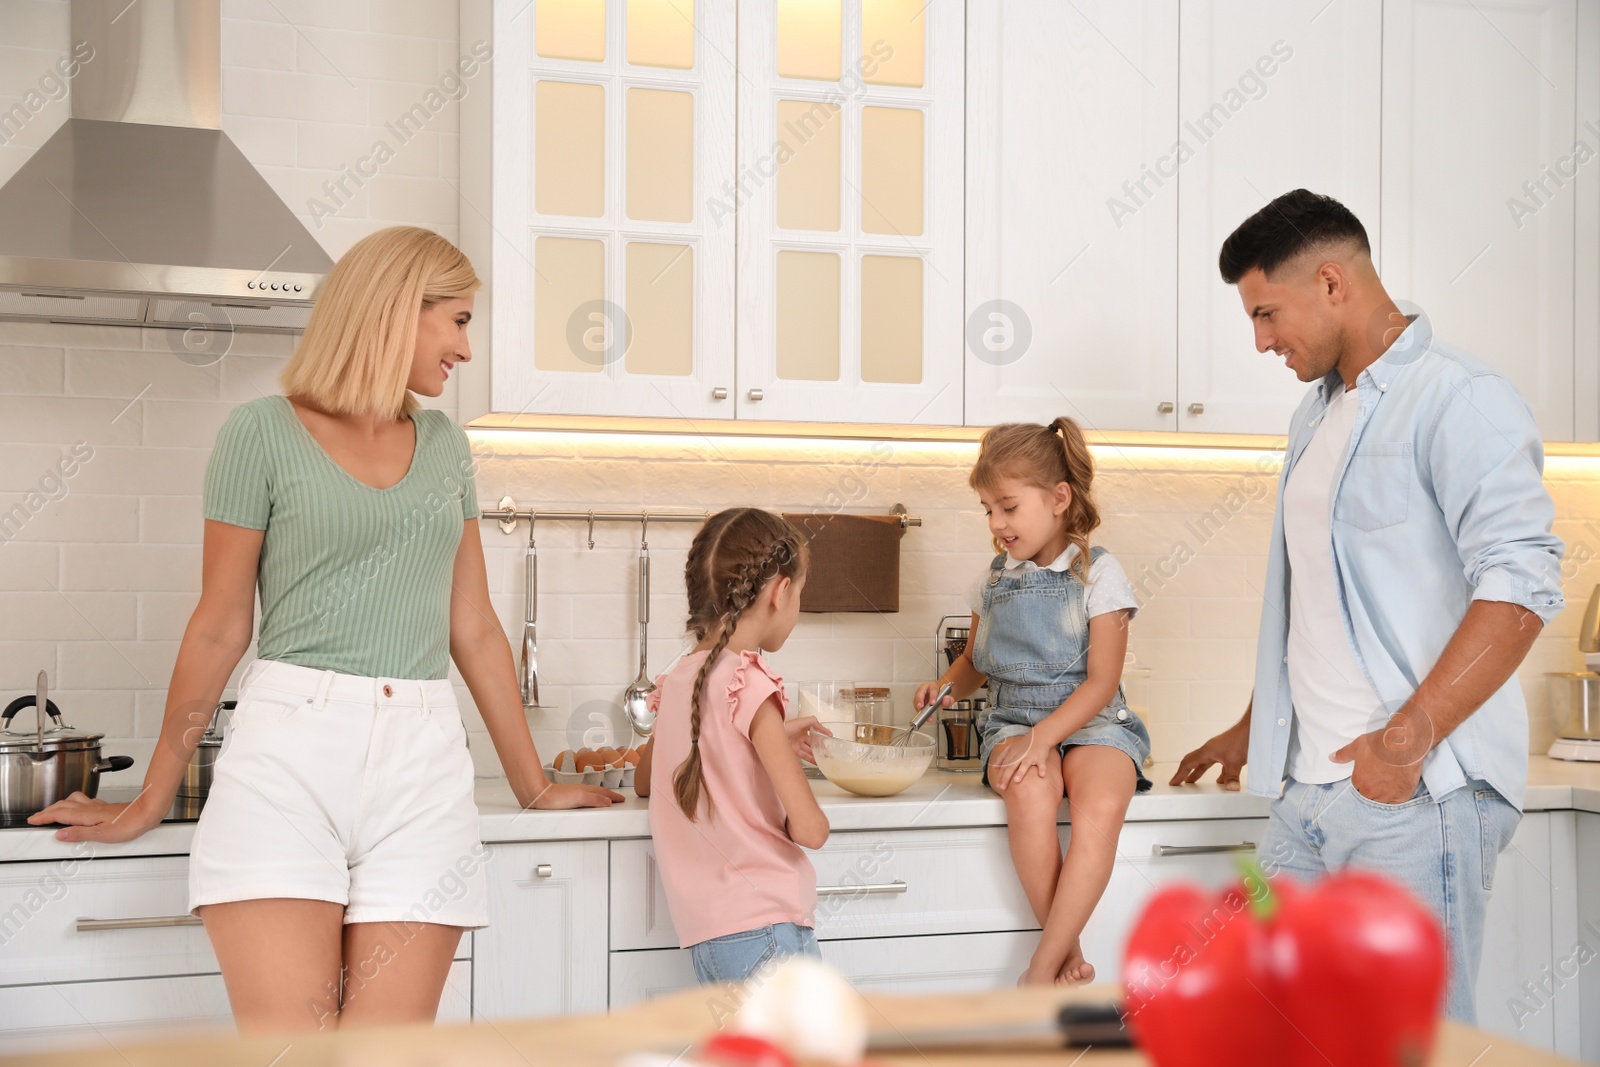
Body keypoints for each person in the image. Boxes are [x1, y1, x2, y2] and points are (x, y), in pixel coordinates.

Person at [29, 226, 622, 1033]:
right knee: (294, 1051)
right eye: (455, 319)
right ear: (392, 311)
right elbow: (219, 626)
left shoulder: (446, 448)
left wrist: (535, 785)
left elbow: (474, 626)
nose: (467, 348)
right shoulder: (261, 433)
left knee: (382, 1055)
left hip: (423, 763)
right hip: (288, 760)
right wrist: (149, 799)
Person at [1171, 189, 1565, 1022]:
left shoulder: (1459, 397)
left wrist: (1403, 742)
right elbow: (1318, 602)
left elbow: (1520, 584)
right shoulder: (1314, 417)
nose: (1261, 340)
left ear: (1330, 282)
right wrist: (1256, 722)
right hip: (1305, 796)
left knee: (1406, 1039)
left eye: (1268, 313)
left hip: (1413, 797)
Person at [915, 419, 1148, 986]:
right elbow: (975, 662)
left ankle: (1041, 966)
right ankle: (1067, 957)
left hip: (1096, 724)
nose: (996, 524)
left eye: (1008, 507)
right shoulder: (993, 580)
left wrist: (1044, 738)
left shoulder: (1100, 574)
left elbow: (1100, 682)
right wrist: (947, 685)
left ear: (1059, 498)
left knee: (1100, 808)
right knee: (1030, 794)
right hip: (1014, 720)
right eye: (988, 509)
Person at [636, 507, 831, 984]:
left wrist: (758, 742)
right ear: (779, 591)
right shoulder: (752, 682)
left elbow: (647, 780)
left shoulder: (680, 677)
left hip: (710, 935)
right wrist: (772, 749)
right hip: (768, 925)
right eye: (800, 593)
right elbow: (811, 829)